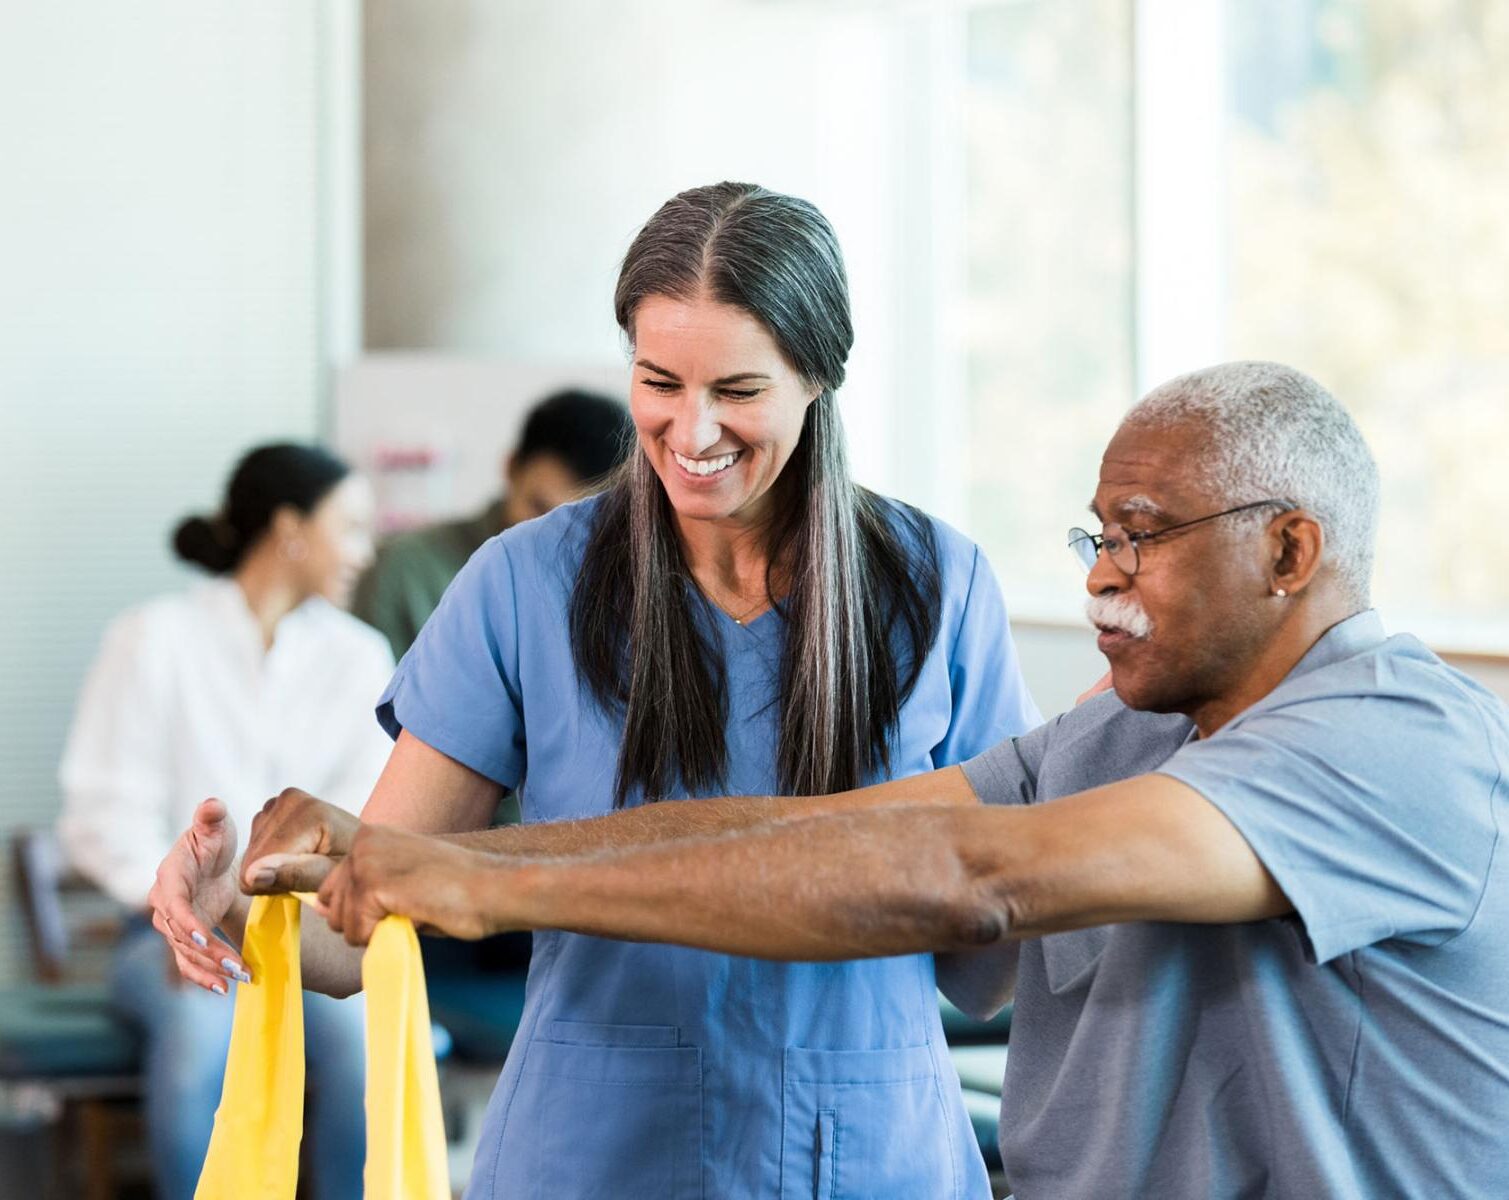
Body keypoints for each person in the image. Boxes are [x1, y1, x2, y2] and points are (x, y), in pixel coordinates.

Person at [297, 363, 1506, 1198]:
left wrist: (492, 890)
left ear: (1290, 548)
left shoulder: (1398, 739)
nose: (1102, 577)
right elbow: (816, 833)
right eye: (1097, 538)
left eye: (1140, 535)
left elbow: (967, 879)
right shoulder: (1123, 736)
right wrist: (412, 860)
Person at [149, 182, 1041, 1199]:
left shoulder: (936, 585)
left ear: (819, 376)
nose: (691, 430)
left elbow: (987, 969)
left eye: (737, 390)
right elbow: (362, 926)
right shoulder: (523, 583)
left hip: (867, 1152)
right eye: (659, 380)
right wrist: (233, 903)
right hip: (592, 1150)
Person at [58, 443, 392, 1200]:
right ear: (291, 529)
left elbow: (362, 818)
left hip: (308, 936)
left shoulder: (360, 656)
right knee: (200, 1037)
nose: (365, 552)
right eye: (351, 528)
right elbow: (103, 813)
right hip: (167, 937)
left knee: (362, 1042)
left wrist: (281, 906)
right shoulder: (153, 638)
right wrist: (182, 910)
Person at [352, 388, 633, 659]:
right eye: (539, 507)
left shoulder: (622, 590)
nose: (554, 532)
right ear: (511, 468)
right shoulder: (406, 570)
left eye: (580, 521)